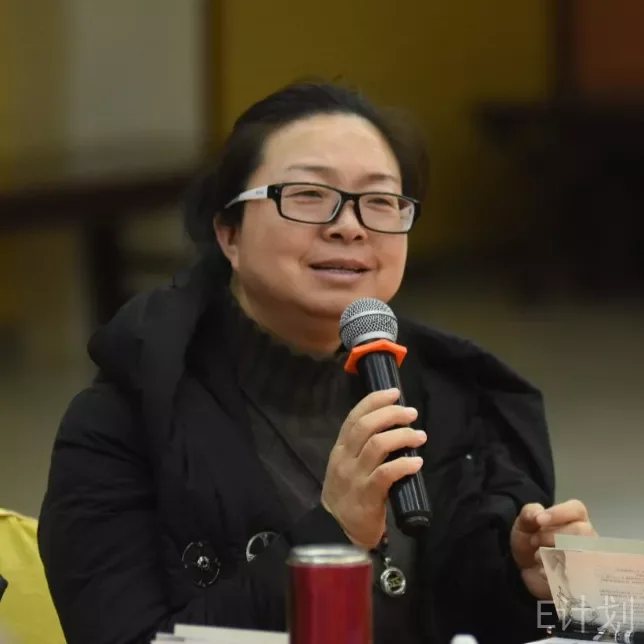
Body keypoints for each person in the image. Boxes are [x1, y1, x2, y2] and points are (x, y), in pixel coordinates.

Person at [37, 81, 596, 644]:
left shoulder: (454, 396)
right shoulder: (121, 424)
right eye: (308, 194)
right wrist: (331, 537)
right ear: (229, 233)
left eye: (380, 201)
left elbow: (473, 614)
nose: (349, 226)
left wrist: (529, 586)